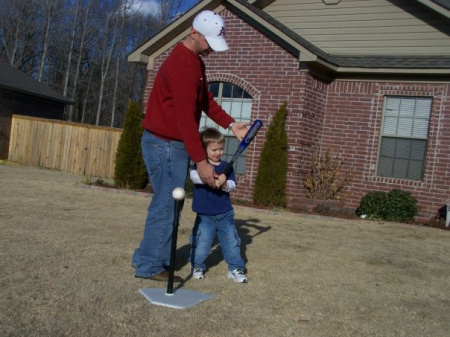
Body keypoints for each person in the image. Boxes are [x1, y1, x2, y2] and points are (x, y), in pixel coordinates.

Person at [131, 10, 250, 282]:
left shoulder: (195, 61)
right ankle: (149, 265)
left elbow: (205, 101)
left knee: (164, 203)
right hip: (165, 144)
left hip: (170, 143)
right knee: (167, 205)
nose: (211, 49)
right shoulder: (183, 65)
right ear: (193, 32)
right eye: (208, 42)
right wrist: (201, 161)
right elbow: (185, 119)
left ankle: (145, 257)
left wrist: (232, 125)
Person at [189, 128, 247, 283]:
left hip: (225, 212)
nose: (218, 152)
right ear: (204, 149)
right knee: (202, 242)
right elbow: (194, 177)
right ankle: (197, 265)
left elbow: (232, 185)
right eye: (214, 149)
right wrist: (214, 178)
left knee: (231, 242)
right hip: (205, 214)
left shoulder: (227, 166)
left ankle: (235, 268)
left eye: (221, 149)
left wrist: (224, 183)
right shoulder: (200, 165)